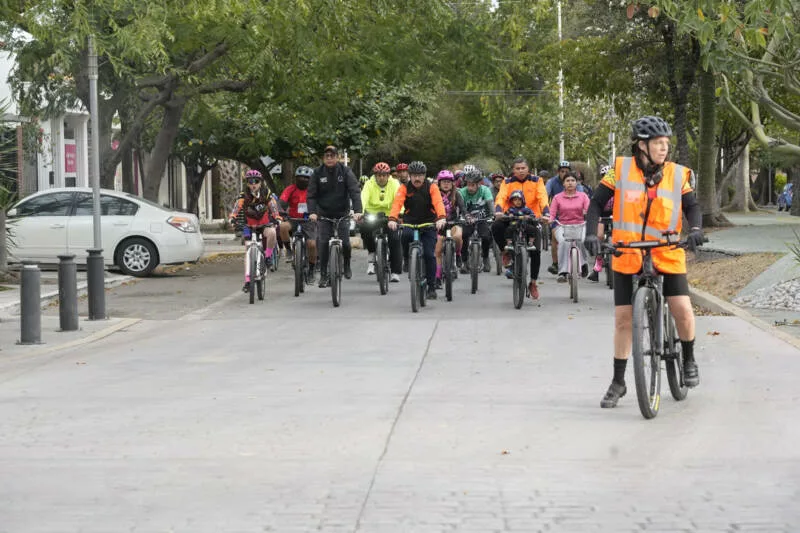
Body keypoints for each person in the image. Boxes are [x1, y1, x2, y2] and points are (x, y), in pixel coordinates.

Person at [584, 116, 705, 408]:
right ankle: (618, 381)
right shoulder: (620, 170)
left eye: (666, 143)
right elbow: (597, 203)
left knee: (682, 308)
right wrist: (590, 234)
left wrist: (696, 230)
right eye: (658, 143)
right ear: (641, 145)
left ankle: (688, 358)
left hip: (667, 250)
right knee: (623, 319)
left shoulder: (678, 173)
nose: (664, 148)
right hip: (627, 251)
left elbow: (692, 206)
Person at [388, 161, 447, 300]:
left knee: (429, 255)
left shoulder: (432, 187)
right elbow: (397, 204)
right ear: (410, 176)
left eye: (420, 175)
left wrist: (441, 218)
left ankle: (431, 287)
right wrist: (392, 218)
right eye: (414, 175)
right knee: (404, 236)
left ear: (424, 176)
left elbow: (438, 203)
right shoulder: (404, 188)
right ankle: (407, 259)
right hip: (410, 222)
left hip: (428, 223)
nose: (417, 178)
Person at [493, 157, 549, 299]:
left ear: (528, 169)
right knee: (496, 226)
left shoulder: (537, 180)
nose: (520, 171)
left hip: (531, 218)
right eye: (517, 168)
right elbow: (501, 197)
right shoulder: (507, 182)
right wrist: (498, 210)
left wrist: (546, 213)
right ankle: (505, 251)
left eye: (523, 168)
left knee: (536, 251)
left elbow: (542, 197)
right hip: (511, 216)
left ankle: (533, 283)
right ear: (513, 170)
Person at [307, 145, 363, 288]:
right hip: (324, 214)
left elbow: (354, 191)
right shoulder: (317, 173)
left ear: (337, 157)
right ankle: (323, 274)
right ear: (323, 158)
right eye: (327, 156)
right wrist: (312, 212)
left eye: (332, 156)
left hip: (342, 213)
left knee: (346, 243)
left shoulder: (346, 171)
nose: (329, 158)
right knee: (323, 242)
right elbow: (311, 195)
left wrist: (357, 211)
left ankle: (347, 264)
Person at [229, 169, 281, 291]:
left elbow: (273, 206)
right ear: (247, 183)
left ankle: (268, 257)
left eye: (256, 181)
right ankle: (248, 281)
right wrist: (232, 218)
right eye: (250, 182)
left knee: (272, 232)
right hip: (249, 226)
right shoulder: (244, 195)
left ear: (260, 182)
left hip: (264, 225)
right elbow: (237, 207)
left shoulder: (266, 193)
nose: (253, 184)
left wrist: (277, 217)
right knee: (248, 251)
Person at [360, 161, 402, 282]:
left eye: (384, 175)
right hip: (372, 214)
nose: (382, 177)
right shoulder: (369, 184)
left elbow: (399, 199)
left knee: (395, 239)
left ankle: (395, 272)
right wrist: (359, 212)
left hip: (391, 215)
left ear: (388, 175)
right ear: (375, 175)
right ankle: (372, 254)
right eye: (379, 175)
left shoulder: (395, 183)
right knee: (364, 228)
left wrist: (400, 213)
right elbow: (363, 198)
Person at [278, 165, 317, 282]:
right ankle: (289, 251)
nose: (302, 180)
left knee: (312, 244)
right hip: (293, 219)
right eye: (300, 177)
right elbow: (281, 202)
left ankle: (311, 269)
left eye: (306, 178)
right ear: (295, 178)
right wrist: (281, 212)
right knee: (283, 227)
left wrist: (317, 214)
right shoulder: (290, 189)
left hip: (309, 221)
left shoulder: (314, 190)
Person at [549, 172, 590, 283]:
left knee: (581, 241)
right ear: (563, 184)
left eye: (572, 180)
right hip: (562, 225)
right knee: (563, 243)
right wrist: (550, 219)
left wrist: (589, 214)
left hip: (580, 224)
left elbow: (589, 210)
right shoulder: (557, 197)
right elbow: (552, 213)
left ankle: (583, 263)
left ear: (577, 183)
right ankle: (562, 272)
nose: (570, 183)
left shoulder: (583, 196)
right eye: (567, 181)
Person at [433, 169, 465, 288]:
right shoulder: (434, 194)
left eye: (448, 182)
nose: (446, 184)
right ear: (439, 183)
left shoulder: (457, 194)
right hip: (438, 224)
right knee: (437, 250)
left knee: (458, 236)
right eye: (443, 182)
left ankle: (458, 254)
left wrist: (467, 216)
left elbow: (463, 208)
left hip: (453, 222)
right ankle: (437, 276)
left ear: (452, 183)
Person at [460, 169, 495, 273]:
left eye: (473, 185)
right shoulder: (462, 192)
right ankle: (465, 262)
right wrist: (463, 217)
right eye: (468, 184)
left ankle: (485, 258)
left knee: (486, 237)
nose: (470, 188)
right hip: (467, 219)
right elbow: (460, 207)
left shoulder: (485, 190)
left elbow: (490, 203)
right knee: (464, 236)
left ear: (479, 184)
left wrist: (493, 215)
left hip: (482, 218)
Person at [588, 164, 614, 283]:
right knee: (599, 236)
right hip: (602, 215)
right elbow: (595, 204)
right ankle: (598, 262)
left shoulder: (619, 188)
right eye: (604, 176)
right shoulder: (599, 189)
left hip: (616, 215)